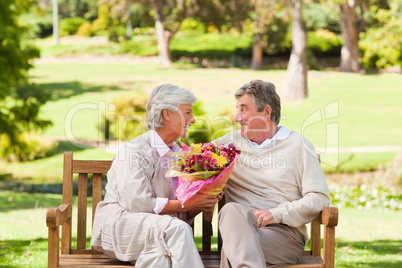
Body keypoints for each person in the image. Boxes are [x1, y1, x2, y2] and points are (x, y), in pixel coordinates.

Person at [91, 84, 221, 267]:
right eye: (188, 112)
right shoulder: (135, 151)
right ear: (167, 114)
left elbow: (179, 209)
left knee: (160, 260)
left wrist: (203, 201)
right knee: (178, 229)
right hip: (123, 228)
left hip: (158, 233)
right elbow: (138, 203)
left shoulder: (178, 155)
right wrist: (187, 204)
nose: (192, 119)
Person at [215, 80, 330, 267]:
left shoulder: (298, 145)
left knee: (234, 248)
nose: (237, 117)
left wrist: (275, 214)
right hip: (237, 229)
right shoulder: (227, 146)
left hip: (284, 234)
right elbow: (193, 164)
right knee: (230, 211)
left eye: (244, 109)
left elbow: (319, 198)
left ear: (266, 112)